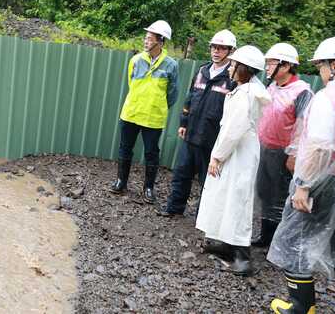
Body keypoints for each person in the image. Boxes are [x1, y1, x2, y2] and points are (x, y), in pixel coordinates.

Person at [268, 37, 335, 314]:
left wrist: (303, 185)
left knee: (294, 239)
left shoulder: (328, 97)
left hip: (321, 181)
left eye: (323, 65)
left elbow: (320, 146)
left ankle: (301, 307)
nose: (322, 71)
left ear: (334, 65)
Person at [195, 45, 271, 276]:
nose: (230, 68)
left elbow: (233, 130)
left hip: (239, 153)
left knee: (238, 200)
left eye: (234, 64)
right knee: (226, 196)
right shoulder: (245, 89)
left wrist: (217, 157)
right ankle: (227, 244)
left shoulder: (246, 94)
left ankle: (243, 257)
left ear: (244, 69)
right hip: (237, 152)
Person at [158, 29, 237, 218]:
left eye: (221, 48)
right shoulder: (202, 71)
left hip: (212, 137)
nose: (216, 51)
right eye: (214, 47)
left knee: (208, 180)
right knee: (181, 173)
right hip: (192, 132)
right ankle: (174, 208)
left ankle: (204, 217)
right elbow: (189, 98)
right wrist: (183, 122)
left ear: (231, 51)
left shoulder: (232, 78)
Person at [110, 20, 179, 204]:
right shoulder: (136, 60)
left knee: (151, 153)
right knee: (125, 148)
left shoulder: (171, 65)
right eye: (146, 38)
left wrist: (157, 106)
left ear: (161, 41)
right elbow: (131, 84)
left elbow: (172, 94)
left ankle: (148, 188)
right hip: (131, 113)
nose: (146, 41)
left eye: (150, 39)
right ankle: (121, 182)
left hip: (153, 118)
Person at [252, 43, 313, 249]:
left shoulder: (302, 91)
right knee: (264, 192)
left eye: (271, 63)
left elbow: (303, 125)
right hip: (264, 147)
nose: (267, 67)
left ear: (286, 66)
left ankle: (279, 243)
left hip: (283, 153)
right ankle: (265, 236)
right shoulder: (272, 87)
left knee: (279, 196)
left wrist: (294, 154)